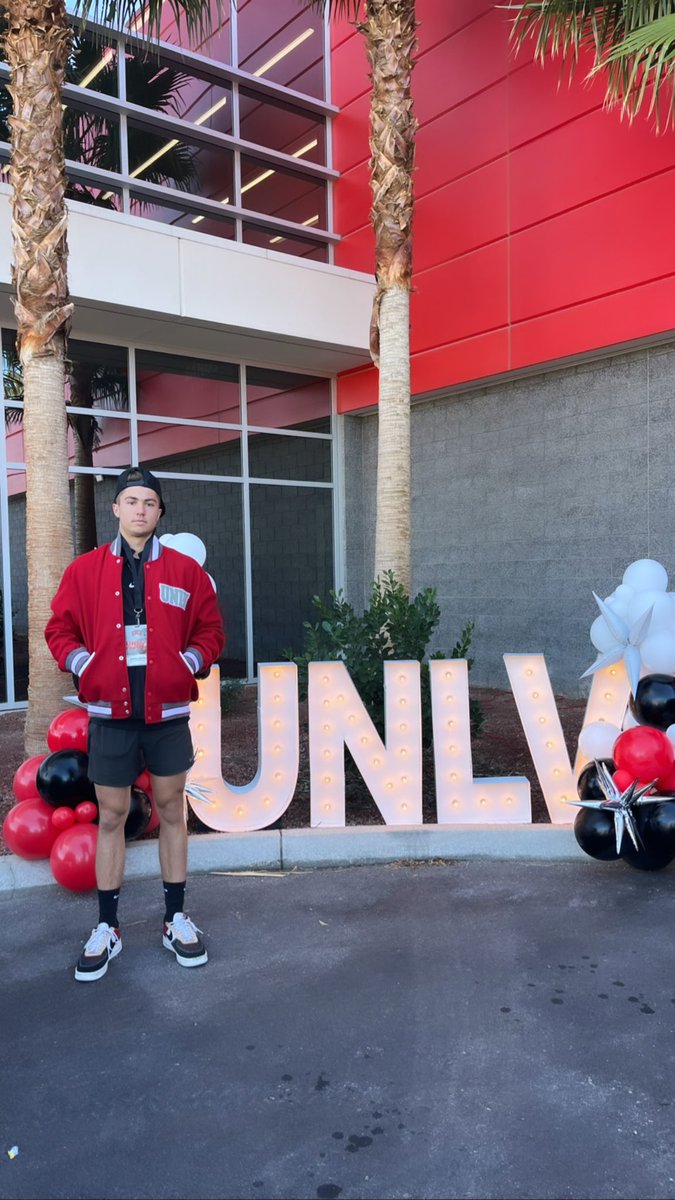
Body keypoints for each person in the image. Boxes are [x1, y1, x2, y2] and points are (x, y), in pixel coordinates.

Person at [45, 467, 225, 982]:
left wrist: (188, 663)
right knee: (111, 815)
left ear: (160, 512)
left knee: (171, 809)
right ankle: (107, 928)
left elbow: (211, 631)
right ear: (116, 509)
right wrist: (83, 665)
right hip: (112, 717)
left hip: (166, 715)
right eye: (131, 500)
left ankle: (175, 919)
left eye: (149, 501)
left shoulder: (186, 573)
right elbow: (59, 628)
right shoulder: (84, 571)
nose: (140, 509)